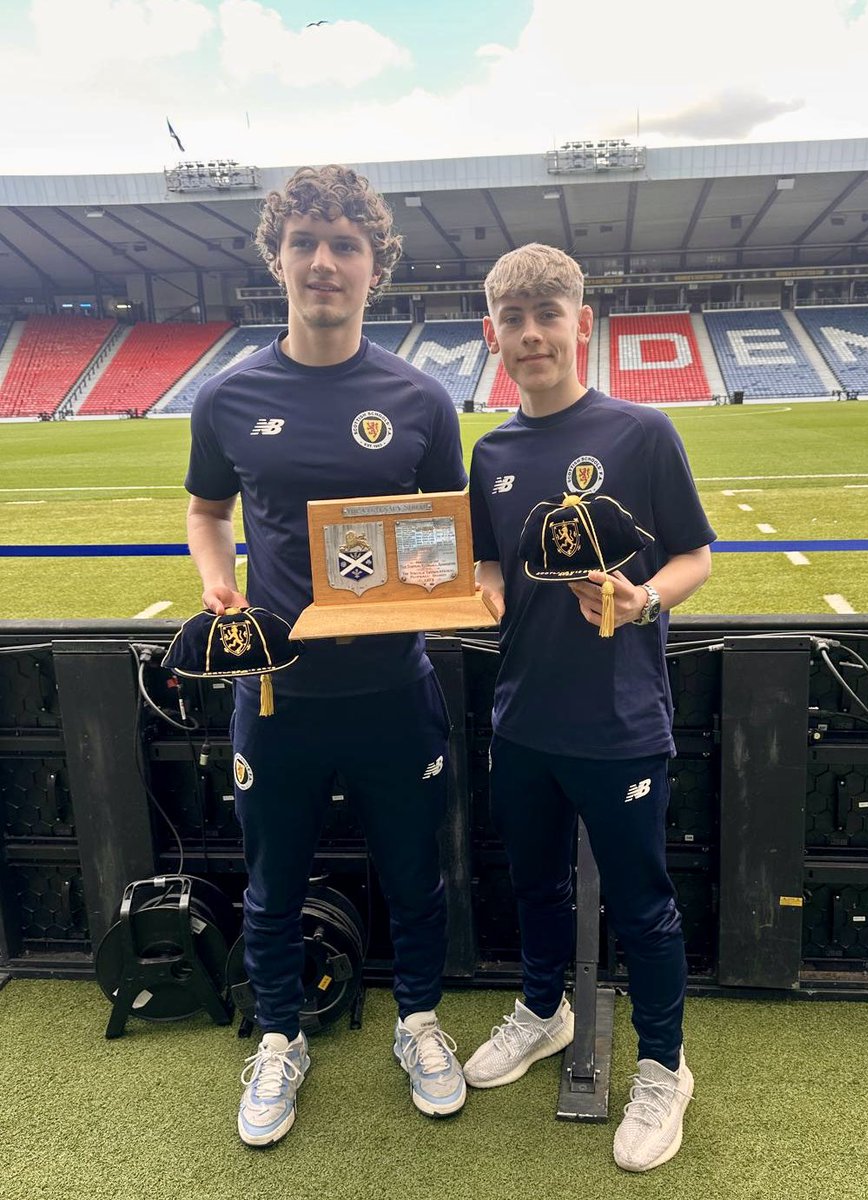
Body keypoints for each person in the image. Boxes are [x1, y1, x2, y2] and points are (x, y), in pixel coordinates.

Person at [184, 165, 469, 1148]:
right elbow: (206, 512)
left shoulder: (422, 400)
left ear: (373, 266)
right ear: (275, 257)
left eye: (344, 244)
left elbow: (445, 536)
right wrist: (216, 585)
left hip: (396, 689)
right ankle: (277, 1038)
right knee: (271, 880)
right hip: (277, 695)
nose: (322, 261)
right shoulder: (226, 398)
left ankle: (420, 1023)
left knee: (414, 873)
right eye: (304, 240)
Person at [465, 244, 715, 1173]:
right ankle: (543, 1010)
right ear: (494, 336)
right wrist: (474, 590)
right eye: (513, 320)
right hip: (523, 719)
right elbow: (490, 564)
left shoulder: (641, 432)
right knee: (535, 886)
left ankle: (662, 1064)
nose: (531, 334)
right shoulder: (488, 450)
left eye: (547, 314)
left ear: (581, 320)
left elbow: (692, 556)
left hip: (619, 724)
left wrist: (645, 598)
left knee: (643, 906)